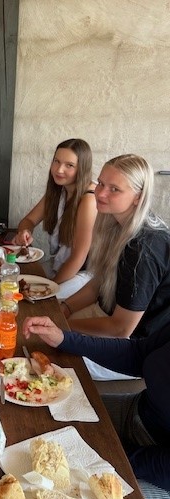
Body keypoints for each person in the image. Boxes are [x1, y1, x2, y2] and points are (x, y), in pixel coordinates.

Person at [23, 315, 170, 499]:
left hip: (161, 474)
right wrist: (65, 339)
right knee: (47, 423)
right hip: (138, 411)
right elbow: (138, 353)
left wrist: (112, 455)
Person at [59, 154, 170, 379]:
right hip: (112, 321)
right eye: (100, 183)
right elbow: (99, 281)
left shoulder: (143, 249)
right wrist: (65, 309)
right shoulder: (116, 223)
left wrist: (65, 328)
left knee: (51, 355)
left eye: (114, 189)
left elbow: (121, 329)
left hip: (136, 348)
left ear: (138, 197)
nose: (100, 193)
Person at [12, 138, 97, 299]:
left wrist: (49, 286)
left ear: (82, 168)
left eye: (69, 165)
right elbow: (28, 220)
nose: (59, 169)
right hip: (60, 263)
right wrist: (25, 231)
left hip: (85, 274)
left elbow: (78, 258)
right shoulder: (59, 190)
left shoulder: (89, 199)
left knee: (39, 299)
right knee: (12, 281)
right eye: (56, 161)